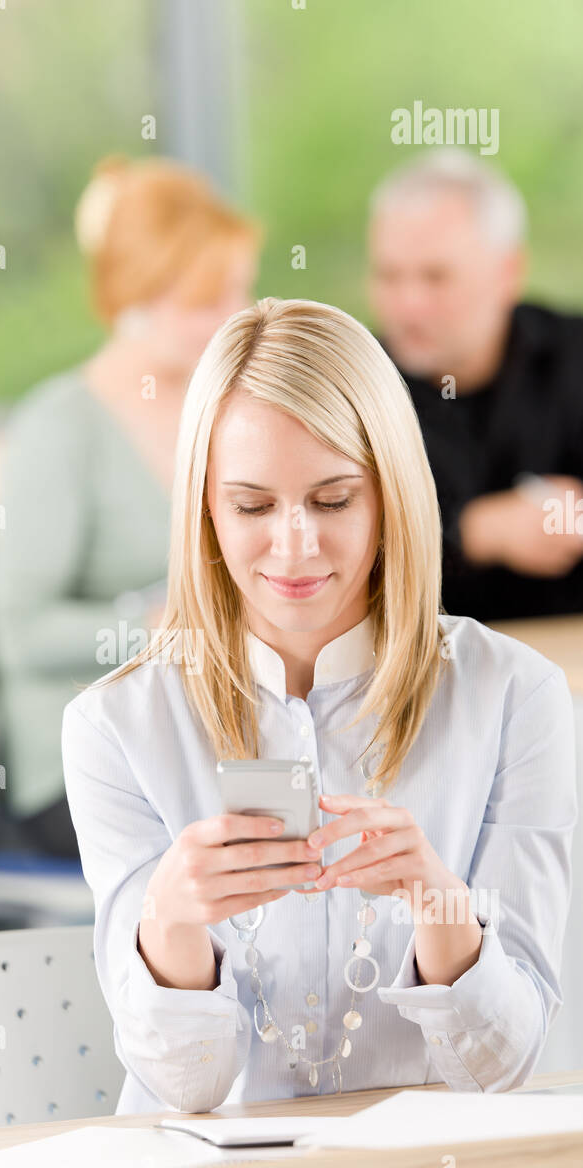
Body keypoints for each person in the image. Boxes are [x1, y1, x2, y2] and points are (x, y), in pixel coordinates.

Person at [61, 297, 576, 1115]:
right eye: (252, 505)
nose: (294, 547)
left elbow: (505, 1065)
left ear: (391, 497)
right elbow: (183, 1087)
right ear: (203, 506)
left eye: (334, 501)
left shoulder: (516, 696)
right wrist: (172, 919)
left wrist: (436, 898)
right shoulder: (116, 725)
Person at [0, 155, 260, 858]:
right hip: (85, 763)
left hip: (209, 739)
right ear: (134, 298)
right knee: (268, 832)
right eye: (205, 301)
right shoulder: (60, 428)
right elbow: (20, 633)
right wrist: (156, 628)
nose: (232, 319)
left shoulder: (227, 410)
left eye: (237, 292)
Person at [367, 150, 583, 622]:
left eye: (436, 276)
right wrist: (479, 531)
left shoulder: (574, 356)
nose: (409, 305)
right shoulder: (351, 387)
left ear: (507, 272)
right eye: (389, 276)